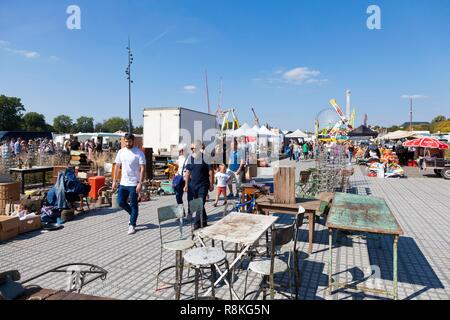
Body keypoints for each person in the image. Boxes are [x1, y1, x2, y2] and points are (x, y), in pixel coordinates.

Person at [112, 133, 146, 235]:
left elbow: (143, 168)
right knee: (120, 202)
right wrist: (114, 181)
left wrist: (140, 183)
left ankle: (132, 224)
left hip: (134, 183)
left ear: (133, 141)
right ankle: (133, 215)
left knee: (134, 204)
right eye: (126, 141)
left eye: (129, 141)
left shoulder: (139, 153)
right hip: (123, 182)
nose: (127, 143)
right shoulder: (121, 152)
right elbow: (117, 167)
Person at [184, 140, 214, 230]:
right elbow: (187, 172)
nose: (192, 150)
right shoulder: (191, 158)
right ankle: (204, 220)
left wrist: (211, 184)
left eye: (193, 148)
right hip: (193, 185)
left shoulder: (205, 157)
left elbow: (211, 171)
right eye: (191, 148)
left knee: (199, 203)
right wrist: (186, 185)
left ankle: (196, 224)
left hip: (203, 185)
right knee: (199, 203)